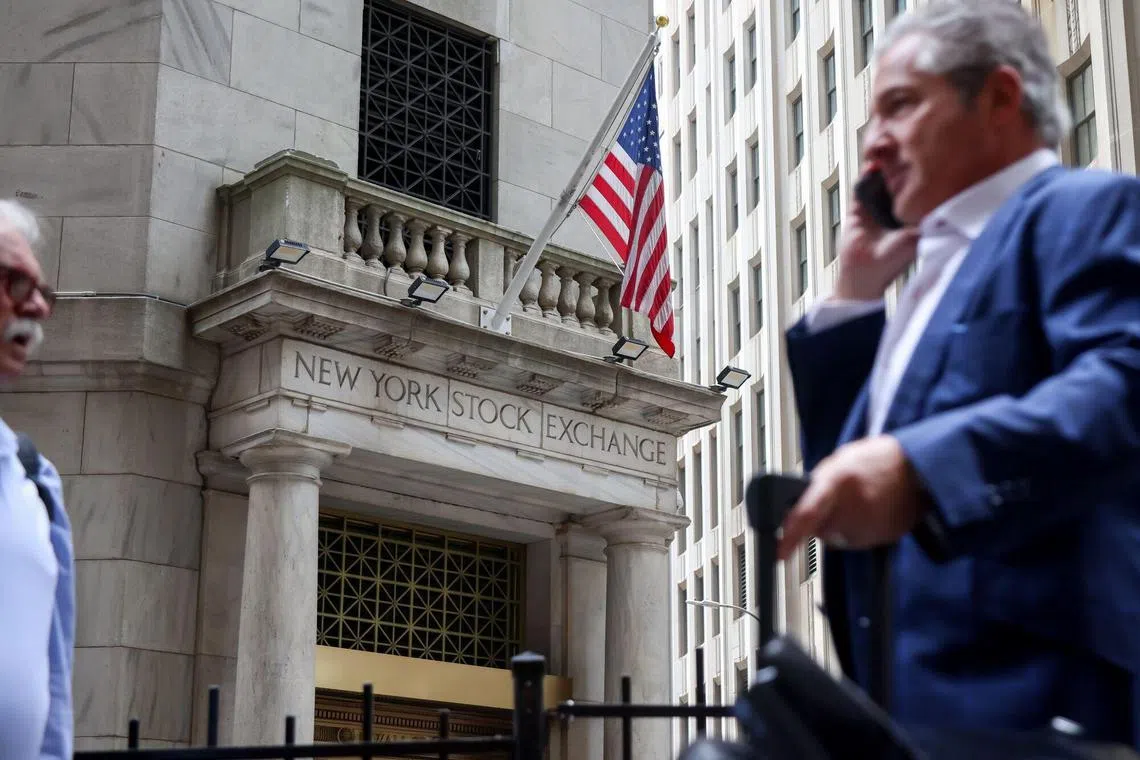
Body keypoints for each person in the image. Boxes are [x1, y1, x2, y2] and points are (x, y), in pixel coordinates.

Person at [777, 0, 1140, 748]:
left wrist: (925, 469)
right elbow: (855, 479)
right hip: (908, 711)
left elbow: (1122, 386)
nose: (873, 143)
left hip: (1036, 705)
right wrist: (853, 299)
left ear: (1000, 97)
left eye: (901, 106)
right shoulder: (926, 277)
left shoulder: (1083, 208)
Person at [0, 199, 74, 759]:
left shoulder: (35, 481)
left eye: (42, 290)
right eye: (14, 282)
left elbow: (54, 691)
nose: (38, 307)